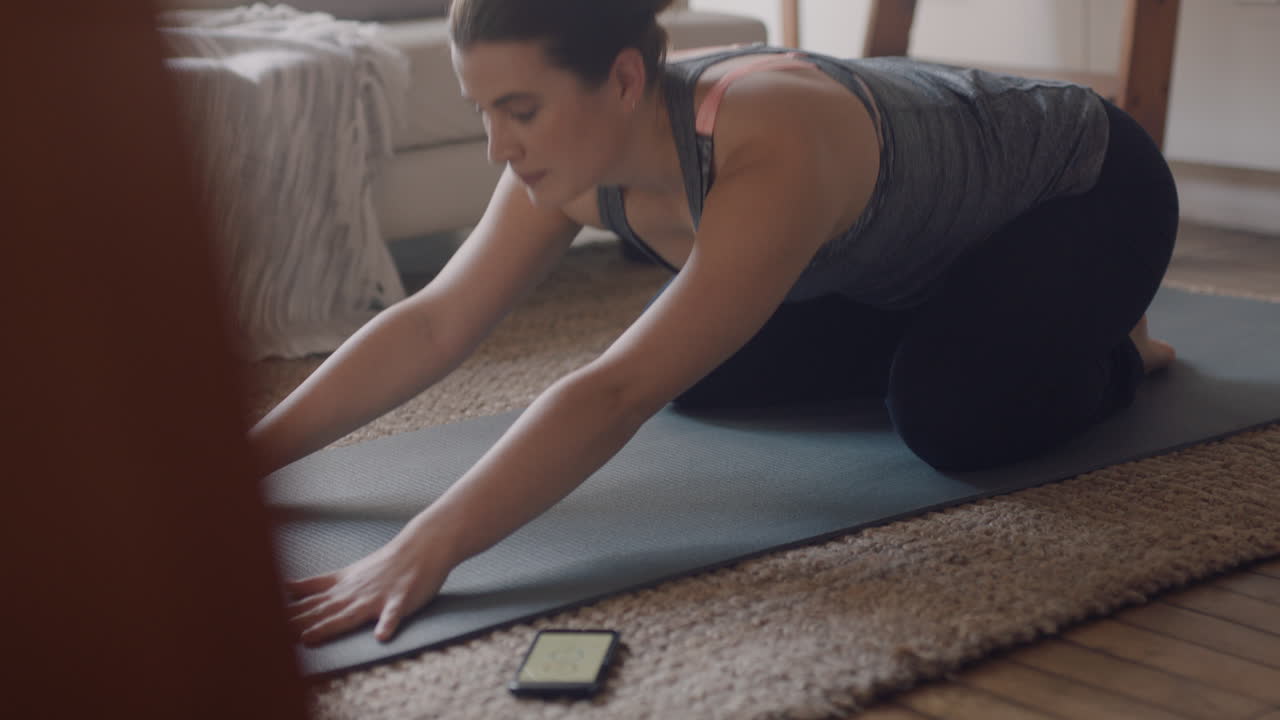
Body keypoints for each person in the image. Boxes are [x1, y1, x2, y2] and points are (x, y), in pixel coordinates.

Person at [265, 0, 1179, 646]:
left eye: (520, 110)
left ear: (625, 78)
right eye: (483, 114)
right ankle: (983, 330)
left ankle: (1112, 344)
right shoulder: (566, 156)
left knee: (946, 417)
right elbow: (433, 324)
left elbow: (615, 390)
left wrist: (422, 549)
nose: (500, 148)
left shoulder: (766, 137)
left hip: (1085, 192)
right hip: (915, 256)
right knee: (701, 371)